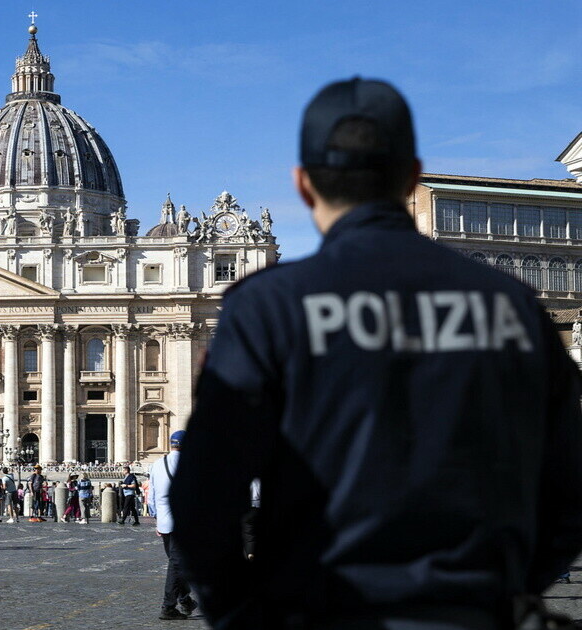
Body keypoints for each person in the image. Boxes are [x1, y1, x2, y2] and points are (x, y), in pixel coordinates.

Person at [172, 77, 582, 630]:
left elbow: (203, 499)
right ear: (413, 177)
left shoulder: (267, 308)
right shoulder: (513, 305)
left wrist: (242, 611)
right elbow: (567, 488)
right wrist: (502, 587)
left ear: (304, 184)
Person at [151, 431, 198, 621]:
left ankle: (185, 599)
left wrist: (157, 518)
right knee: (177, 564)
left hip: (164, 522)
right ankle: (168, 607)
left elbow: (151, 497)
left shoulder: (156, 464)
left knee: (178, 563)